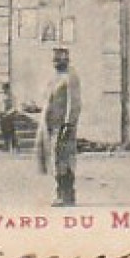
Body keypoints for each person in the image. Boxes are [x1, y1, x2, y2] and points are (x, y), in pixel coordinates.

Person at [42, 47, 81, 206]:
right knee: (56, 159)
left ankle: (67, 195)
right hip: (53, 125)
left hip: (64, 126)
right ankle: (61, 193)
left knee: (65, 159)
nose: (56, 62)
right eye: (55, 59)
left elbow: (74, 103)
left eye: (59, 59)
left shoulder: (71, 77)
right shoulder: (54, 78)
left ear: (66, 59)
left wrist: (68, 123)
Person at [0, 82, 20, 153]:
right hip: (3, 116)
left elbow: (15, 107)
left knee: (11, 131)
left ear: (9, 89)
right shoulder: (3, 97)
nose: (5, 91)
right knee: (4, 131)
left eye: (6, 89)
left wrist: (8, 113)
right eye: (4, 90)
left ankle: (15, 146)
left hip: (10, 116)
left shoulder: (13, 97)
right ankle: (6, 145)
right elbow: (0, 106)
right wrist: (0, 113)